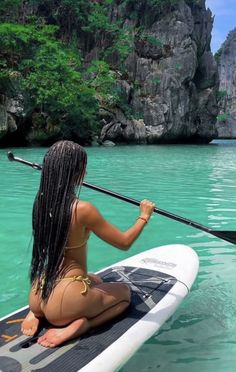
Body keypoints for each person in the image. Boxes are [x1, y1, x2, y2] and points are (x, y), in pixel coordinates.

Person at [21, 140, 155, 348]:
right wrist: (144, 216)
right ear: (79, 173)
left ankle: (36, 313)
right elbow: (124, 242)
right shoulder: (83, 209)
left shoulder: (40, 201)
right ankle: (81, 325)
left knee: (96, 279)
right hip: (66, 302)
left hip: (39, 290)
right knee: (124, 294)